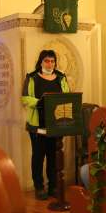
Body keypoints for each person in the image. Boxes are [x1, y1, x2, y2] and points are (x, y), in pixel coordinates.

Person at [21, 50, 70, 200]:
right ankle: (39, 187)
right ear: (41, 62)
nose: (50, 64)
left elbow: (67, 96)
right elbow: (25, 98)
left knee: (53, 156)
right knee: (38, 156)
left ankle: (53, 186)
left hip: (56, 123)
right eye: (47, 61)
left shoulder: (61, 78)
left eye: (52, 61)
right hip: (38, 124)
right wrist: (39, 102)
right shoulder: (32, 77)